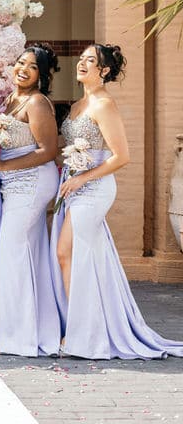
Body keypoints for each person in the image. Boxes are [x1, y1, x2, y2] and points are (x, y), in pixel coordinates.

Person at [51, 44, 183, 359]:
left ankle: (82, 334)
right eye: (81, 59)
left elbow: (121, 156)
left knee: (66, 252)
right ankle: (88, 328)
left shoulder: (104, 104)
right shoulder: (78, 105)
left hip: (95, 188)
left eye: (91, 60)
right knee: (82, 257)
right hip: (74, 185)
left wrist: (83, 177)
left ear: (105, 70)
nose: (82, 64)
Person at [0, 44, 61, 356]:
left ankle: (17, 338)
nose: (23, 70)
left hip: (33, 182)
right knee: (28, 253)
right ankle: (34, 327)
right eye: (20, 63)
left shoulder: (37, 102)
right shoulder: (12, 99)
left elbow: (48, 151)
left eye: (32, 67)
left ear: (42, 75)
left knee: (12, 253)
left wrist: (3, 165)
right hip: (13, 183)